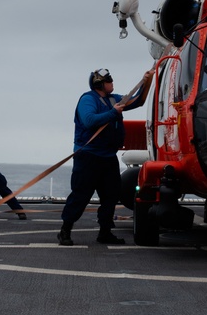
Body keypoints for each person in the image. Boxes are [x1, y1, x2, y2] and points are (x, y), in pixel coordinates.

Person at [57, 67, 152, 246]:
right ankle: (65, 230)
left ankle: (105, 232)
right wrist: (113, 113)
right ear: (100, 84)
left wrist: (147, 81)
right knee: (81, 195)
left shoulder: (113, 99)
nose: (112, 83)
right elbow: (90, 120)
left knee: (110, 195)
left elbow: (138, 101)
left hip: (108, 157)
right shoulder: (88, 99)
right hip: (88, 156)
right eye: (109, 80)